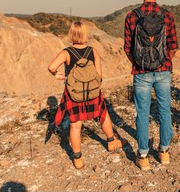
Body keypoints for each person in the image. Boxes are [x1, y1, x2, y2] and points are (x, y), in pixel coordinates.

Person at [48, 21, 126, 169]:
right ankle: (111, 142)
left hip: (74, 93)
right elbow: (99, 76)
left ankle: (77, 158)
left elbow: (51, 67)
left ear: (71, 34)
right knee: (103, 115)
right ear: (85, 34)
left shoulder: (66, 53)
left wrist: (57, 74)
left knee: (76, 125)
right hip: (92, 92)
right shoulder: (93, 51)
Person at [124, 0, 178, 171]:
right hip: (163, 70)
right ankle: (164, 152)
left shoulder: (132, 17)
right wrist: (165, 61)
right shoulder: (167, 16)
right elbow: (173, 45)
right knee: (164, 110)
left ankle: (143, 155)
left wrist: (138, 63)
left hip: (141, 72)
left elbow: (127, 48)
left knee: (142, 113)